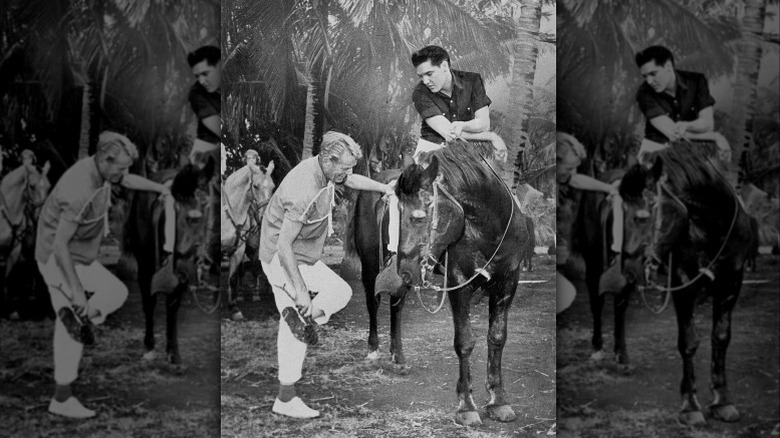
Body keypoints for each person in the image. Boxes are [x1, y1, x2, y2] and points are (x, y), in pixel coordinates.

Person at [35, 131, 172, 418]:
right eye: (120, 168)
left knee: (116, 292)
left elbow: (128, 179)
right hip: (56, 257)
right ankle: (62, 399)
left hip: (78, 256)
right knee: (69, 322)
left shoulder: (103, 170)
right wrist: (74, 291)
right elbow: (60, 246)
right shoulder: (79, 188)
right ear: (104, 159)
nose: (123, 174)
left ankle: (80, 317)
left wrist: (159, 189)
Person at [259, 131, 394, 419]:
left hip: (302, 256)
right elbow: (284, 246)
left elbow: (352, 179)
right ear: (327, 159)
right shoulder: (303, 189)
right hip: (280, 258)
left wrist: (384, 189)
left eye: (350, 167)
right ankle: (286, 397)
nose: (348, 173)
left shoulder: (329, 171)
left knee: (339, 293)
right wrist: (298, 290)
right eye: (344, 168)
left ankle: (303, 316)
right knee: (299, 314)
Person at [556, 133, 622, 311]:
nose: (573, 173)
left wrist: (609, 188)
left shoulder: (562, 175)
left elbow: (575, 179)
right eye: (569, 168)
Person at [634, 45, 731, 165]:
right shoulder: (644, 93)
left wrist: (686, 125)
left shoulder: (696, 81)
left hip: (690, 152)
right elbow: (673, 134)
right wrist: (715, 137)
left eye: (653, 74)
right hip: (655, 150)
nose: (649, 81)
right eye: (645, 76)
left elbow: (707, 124)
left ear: (668, 66)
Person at [187, 45, 221, 164]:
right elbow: (220, 129)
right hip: (206, 146)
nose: (201, 81)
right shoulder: (196, 94)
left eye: (205, 74)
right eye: (197, 76)